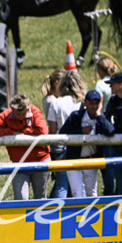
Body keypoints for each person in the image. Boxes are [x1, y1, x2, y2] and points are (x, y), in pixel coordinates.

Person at [0, 94, 50, 200]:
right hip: (19, 163)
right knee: (20, 198)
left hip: (40, 161)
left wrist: (22, 132)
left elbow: (43, 131)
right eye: (17, 113)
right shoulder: (7, 114)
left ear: (28, 108)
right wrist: (10, 132)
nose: (20, 116)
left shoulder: (35, 111)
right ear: (12, 110)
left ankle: (37, 217)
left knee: (40, 198)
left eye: (23, 113)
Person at [58, 90, 115, 198]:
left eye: (96, 103)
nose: (94, 106)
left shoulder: (101, 119)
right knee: (77, 194)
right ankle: (80, 214)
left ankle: (93, 214)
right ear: (86, 103)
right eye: (91, 103)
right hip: (74, 160)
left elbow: (111, 131)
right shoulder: (76, 116)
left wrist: (99, 115)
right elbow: (62, 133)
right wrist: (81, 131)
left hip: (91, 160)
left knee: (92, 193)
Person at [46, 69, 85, 198]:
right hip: (79, 146)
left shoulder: (56, 103)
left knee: (61, 185)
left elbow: (52, 130)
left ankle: (58, 214)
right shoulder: (82, 103)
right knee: (80, 184)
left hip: (59, 146)